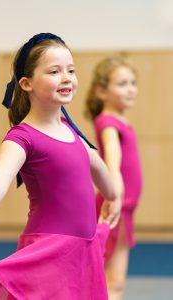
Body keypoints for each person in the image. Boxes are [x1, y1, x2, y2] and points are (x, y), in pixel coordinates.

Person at [0, 33, 121, 299]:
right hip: (50, 252)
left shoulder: (69, 130)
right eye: (54, 71)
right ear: (26, 83)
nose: (66, 77)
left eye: (71, 70)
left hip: (83, 252)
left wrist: (112, 195)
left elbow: (95, 164)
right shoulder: (23, 137)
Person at [85, 56, 143, 300]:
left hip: (123, 208)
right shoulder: (108, 123)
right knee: (112, 279)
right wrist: (115, 195)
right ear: (102, 91)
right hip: (115, 206)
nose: (130, 89)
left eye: (132, 82)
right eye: (122, 84)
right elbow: (113, 159)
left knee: (114, 278)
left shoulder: (120, 120)